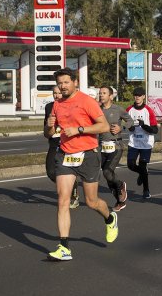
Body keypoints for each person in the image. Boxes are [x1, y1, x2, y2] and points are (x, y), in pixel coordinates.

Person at [44, 68, 117, 261]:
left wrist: (79, 129)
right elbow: (48, 134)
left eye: (66, 82)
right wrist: (50, 125)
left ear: (75, 82)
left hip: (88, 155)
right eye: (60, 83)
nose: (62, 86)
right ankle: (64, 247)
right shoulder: (57, 105)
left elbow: (103, 126)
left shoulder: (87, 101)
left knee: (92, 202)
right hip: (65, 155)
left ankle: (109, 218)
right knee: (63, 200)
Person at [44, 86, 83, 208]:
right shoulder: (49, 107)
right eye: (54, 93)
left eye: (59, 93)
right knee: (51, 172)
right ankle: (71, 185)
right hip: (54, 143)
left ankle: (73, 194)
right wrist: (49, 127)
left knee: (67, 171)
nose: (56, 95)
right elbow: (46, 127)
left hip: (67, 143)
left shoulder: (70, 105)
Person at [98, 86, 133, 211]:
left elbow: (130, 121)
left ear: (110, 96)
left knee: (107, 172)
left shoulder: (117, 109)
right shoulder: (97, 109)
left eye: (104, 93)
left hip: (116, 146)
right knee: (107, 175)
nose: (101, 95)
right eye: (100, 93)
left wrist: (121, 128)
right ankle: (120, 201)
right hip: (101, 146)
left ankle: (120, 185)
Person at [125, 87, 158, 199]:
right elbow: (128, 127)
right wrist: (130, 127)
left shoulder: (148, 111)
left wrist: (144, 125)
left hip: (146, 143)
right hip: (133, 142)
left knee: (143, 165)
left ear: (144, 96)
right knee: (130, 165)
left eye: (139, 95)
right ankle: (142, 172)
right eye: (135, 95)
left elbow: (155, 130)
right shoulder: (129, 109)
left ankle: (146, 190)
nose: (137, 97)